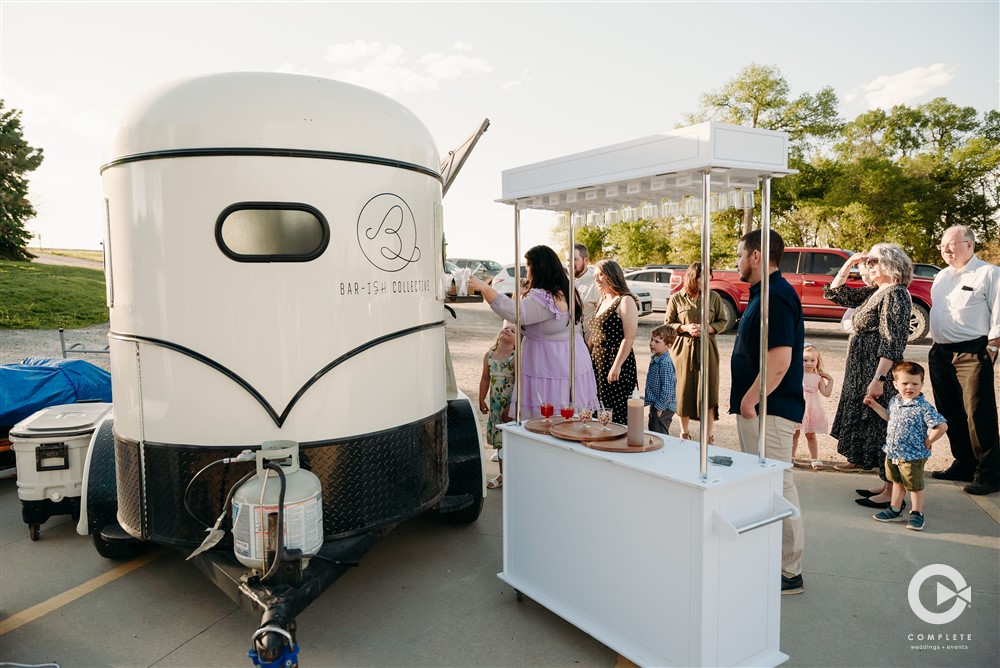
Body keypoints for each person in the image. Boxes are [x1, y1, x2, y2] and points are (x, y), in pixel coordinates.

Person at [729, 229, 806, 596]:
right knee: (767, 487)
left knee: (779, 486)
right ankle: (772, 559)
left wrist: (750, 400)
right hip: (764, 408)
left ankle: (790, 572)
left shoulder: (775, 296)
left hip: (770, 410)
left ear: (756, 255)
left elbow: (779, 360)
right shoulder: (767, 293)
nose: (737, 261)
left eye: (740, 254)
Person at [824, 244, 914, 509]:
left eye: (874, 262)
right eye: (868, 263)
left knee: (883, 428)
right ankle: (884, 483)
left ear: (890, 264)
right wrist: (849, 263)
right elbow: (835, 294)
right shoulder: (877, 291)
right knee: (875, 430)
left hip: (877, 372)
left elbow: (892, 342)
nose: (869, 266)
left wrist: (879, 379)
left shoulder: (896, 294)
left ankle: (892, 493)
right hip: (861, 370)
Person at [468, 245, 599, 418]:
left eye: (528, 267)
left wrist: (485, 288)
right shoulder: (567, 289)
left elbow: (515, 312)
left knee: (549, 416)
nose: (527, 272)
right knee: (568, 413)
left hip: (549, 362)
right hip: (571, 356)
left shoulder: (544, 297)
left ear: (537, 269)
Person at [928, 225, 1000, 496]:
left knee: (977, 414)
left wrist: (992, 349)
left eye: (952, 245)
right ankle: (964, 463)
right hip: (941, 351)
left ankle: (990, 474)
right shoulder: (942, 276)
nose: (946, 250)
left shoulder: (989, 273)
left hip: (972, 352)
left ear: (969, 245)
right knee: (949, 412)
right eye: (943, 246)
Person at [863, 361, 948, 531]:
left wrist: (929, 440)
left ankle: (917, 513)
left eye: (915, 383)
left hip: (913, 455)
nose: (910, 387)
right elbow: (889, 417)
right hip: (893, 453)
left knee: (914, 486)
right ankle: (895, 509)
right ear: (895, 384)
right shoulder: (895, 401)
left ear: (922, 384)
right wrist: (874, 405)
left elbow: (942, 426)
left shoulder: (923, 407)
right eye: (905, 383)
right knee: (897, 482)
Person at [663, 262, 726, 443]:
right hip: (683, 351)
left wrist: (709, 328)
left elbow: (723, 321)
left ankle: (708, 435)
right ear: (693, 277)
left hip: (708, 350)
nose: (709, 281)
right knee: (684, 390)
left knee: (709, 390)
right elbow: (668, 324)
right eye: (704, 277)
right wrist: (684, 327)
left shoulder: (714, 297)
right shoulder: (677, 298)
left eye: (710, 277)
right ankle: (684, 432)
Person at [589, 259, 639, 424]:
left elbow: (629, 337)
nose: (597, 279)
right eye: (595, 275)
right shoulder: (603, 300)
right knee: (599, 407)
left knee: (616, 409)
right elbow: (594, 334)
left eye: (601, 274)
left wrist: (616, 366)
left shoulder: (625, 300)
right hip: (597, 361)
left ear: (613, 275)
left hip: (616, 360)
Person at [478, 322, 516, 489]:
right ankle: (502, 474)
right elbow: (485, 378)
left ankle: (514, 473)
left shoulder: (515, 357)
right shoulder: (490, 355)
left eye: (513, 331)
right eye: (506, 328)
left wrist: (512, 407)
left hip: (509, 405)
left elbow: (519, 384)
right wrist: (481, 398)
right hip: (495, 406)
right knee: (499, 441)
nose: (507, 330)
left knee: (510, 439)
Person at [793, 343, 834, 471]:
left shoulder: (817, 378)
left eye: (812, 360)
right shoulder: (796, 375)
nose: (808, 363)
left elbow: (826, 393)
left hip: (811, 410)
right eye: (804, 360)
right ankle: (790, 457)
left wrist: (830, 380)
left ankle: (814, 458)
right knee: (794, 433)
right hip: (798, 407)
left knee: (811, 435)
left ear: (817, 361)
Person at [644, 325, 677, 435]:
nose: (652, 343)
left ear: (668, 346)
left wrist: (659, 408)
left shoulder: (665, 363)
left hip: (664, 407)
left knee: (660, 433)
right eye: (652, 339)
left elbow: (668, 389)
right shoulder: (656, 358)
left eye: (657, 342)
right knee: (653, 430)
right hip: (656, 403)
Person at [573, 243, 600, 342]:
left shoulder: (596, 284)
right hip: (566, 346)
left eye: (575, 259)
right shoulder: (563, 284)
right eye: (567, 260)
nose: (570, 263)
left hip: (588, 345)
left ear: (586, 260)